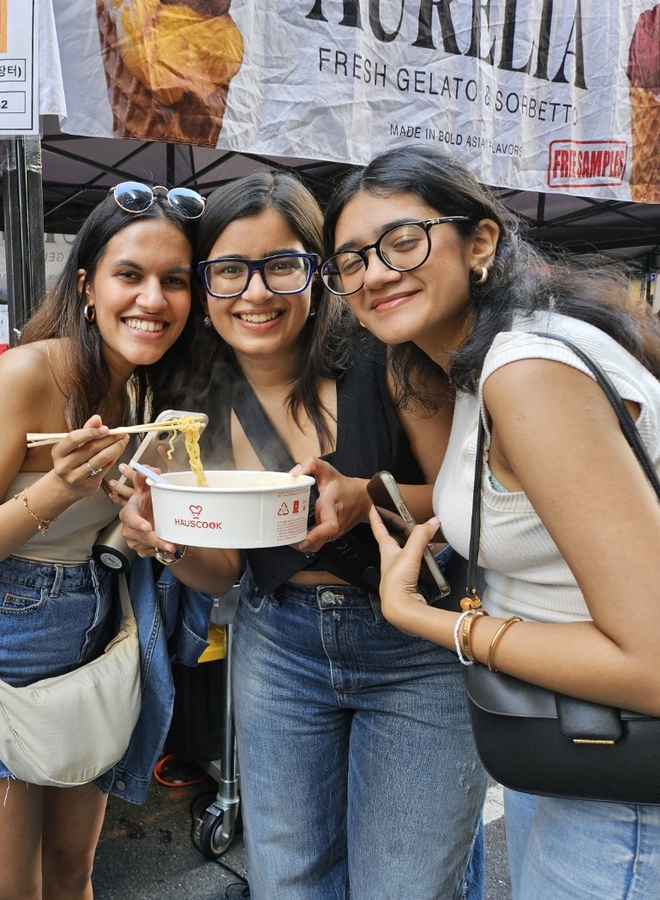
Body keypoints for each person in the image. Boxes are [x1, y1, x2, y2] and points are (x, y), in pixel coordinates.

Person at [118, 171, 487, 899]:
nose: (255, 293)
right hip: (278, 642)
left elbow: (466, 506)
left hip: (416, 643)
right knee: (289, 880)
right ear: (205, 284)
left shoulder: (388, 357)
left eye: (281, 265)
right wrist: (166, 536)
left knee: (406, 888)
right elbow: (223, 571)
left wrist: (366, 497)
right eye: (229, 270)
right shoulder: (192, 399)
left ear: (318, 273)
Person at [320, 143, 660, 898]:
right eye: (350, 261)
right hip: (575, 743)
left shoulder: (527, 372)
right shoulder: (495, 356)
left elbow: (655, 665)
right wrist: (363, 494)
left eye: (402, 241)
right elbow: (532, 514)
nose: (374, 273)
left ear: (480, 243)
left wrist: (427, 618)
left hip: (626, 781)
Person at [0, 182, 204, 899]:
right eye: (129, 275)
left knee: (73, 872)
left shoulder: (149, 389)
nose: (153, 299)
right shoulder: (26, 373)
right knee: (12, 891)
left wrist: (142, 525)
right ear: (86, 287)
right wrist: (57, 490)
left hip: (100, 627)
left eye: (174, 280)